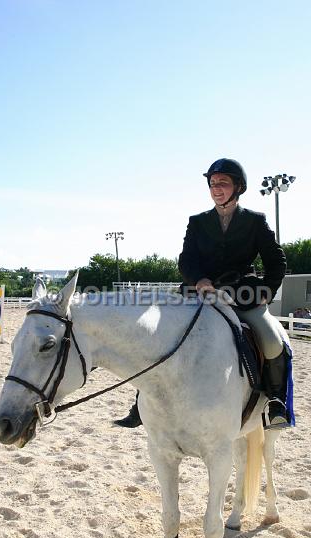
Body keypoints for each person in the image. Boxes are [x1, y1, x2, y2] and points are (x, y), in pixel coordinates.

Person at [115, 157, 291, 430]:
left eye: (222, 183)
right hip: (199, 292)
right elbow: (186, 260)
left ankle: (276, 402)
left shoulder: (255, 222)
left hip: (241, 294)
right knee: (161, 334)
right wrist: (198, 280)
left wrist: (268, 289)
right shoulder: (197, 222)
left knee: (271, 339)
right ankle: (142, 401)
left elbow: (276, 260)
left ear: (238, 187)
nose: (216, 188)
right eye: (212, 183)